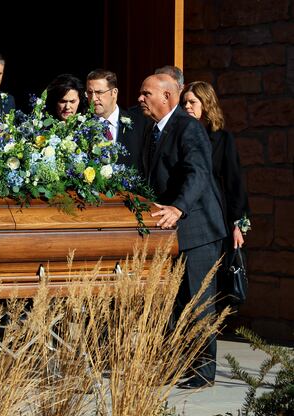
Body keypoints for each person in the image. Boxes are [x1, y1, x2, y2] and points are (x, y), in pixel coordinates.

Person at [138, 74, 227, 389]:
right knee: (172, 305)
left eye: (146, 93)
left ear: (166, 96)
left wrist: (178, 207)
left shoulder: (188, 127)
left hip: (197, 230)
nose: (140, 99)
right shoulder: (152, 130)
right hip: (169, 233)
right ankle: (172, 366)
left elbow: (198, 172)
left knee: (198, 301)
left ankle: (203, 372)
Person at [182, 80, 250, 301]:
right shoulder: (182, 136)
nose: (187, 106)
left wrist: (238, 225)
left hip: (217, 218)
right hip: (188, 218)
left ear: (206, 104)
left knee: (214, 285)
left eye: (192, 102)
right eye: (184, 102)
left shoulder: (222, 138)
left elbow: (234, 184)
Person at [86, 68, 146, 172]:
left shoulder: (139, 123)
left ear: (114, 92)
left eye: (99, 92)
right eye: (90, 92)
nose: (93, 98)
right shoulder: (83, 126)